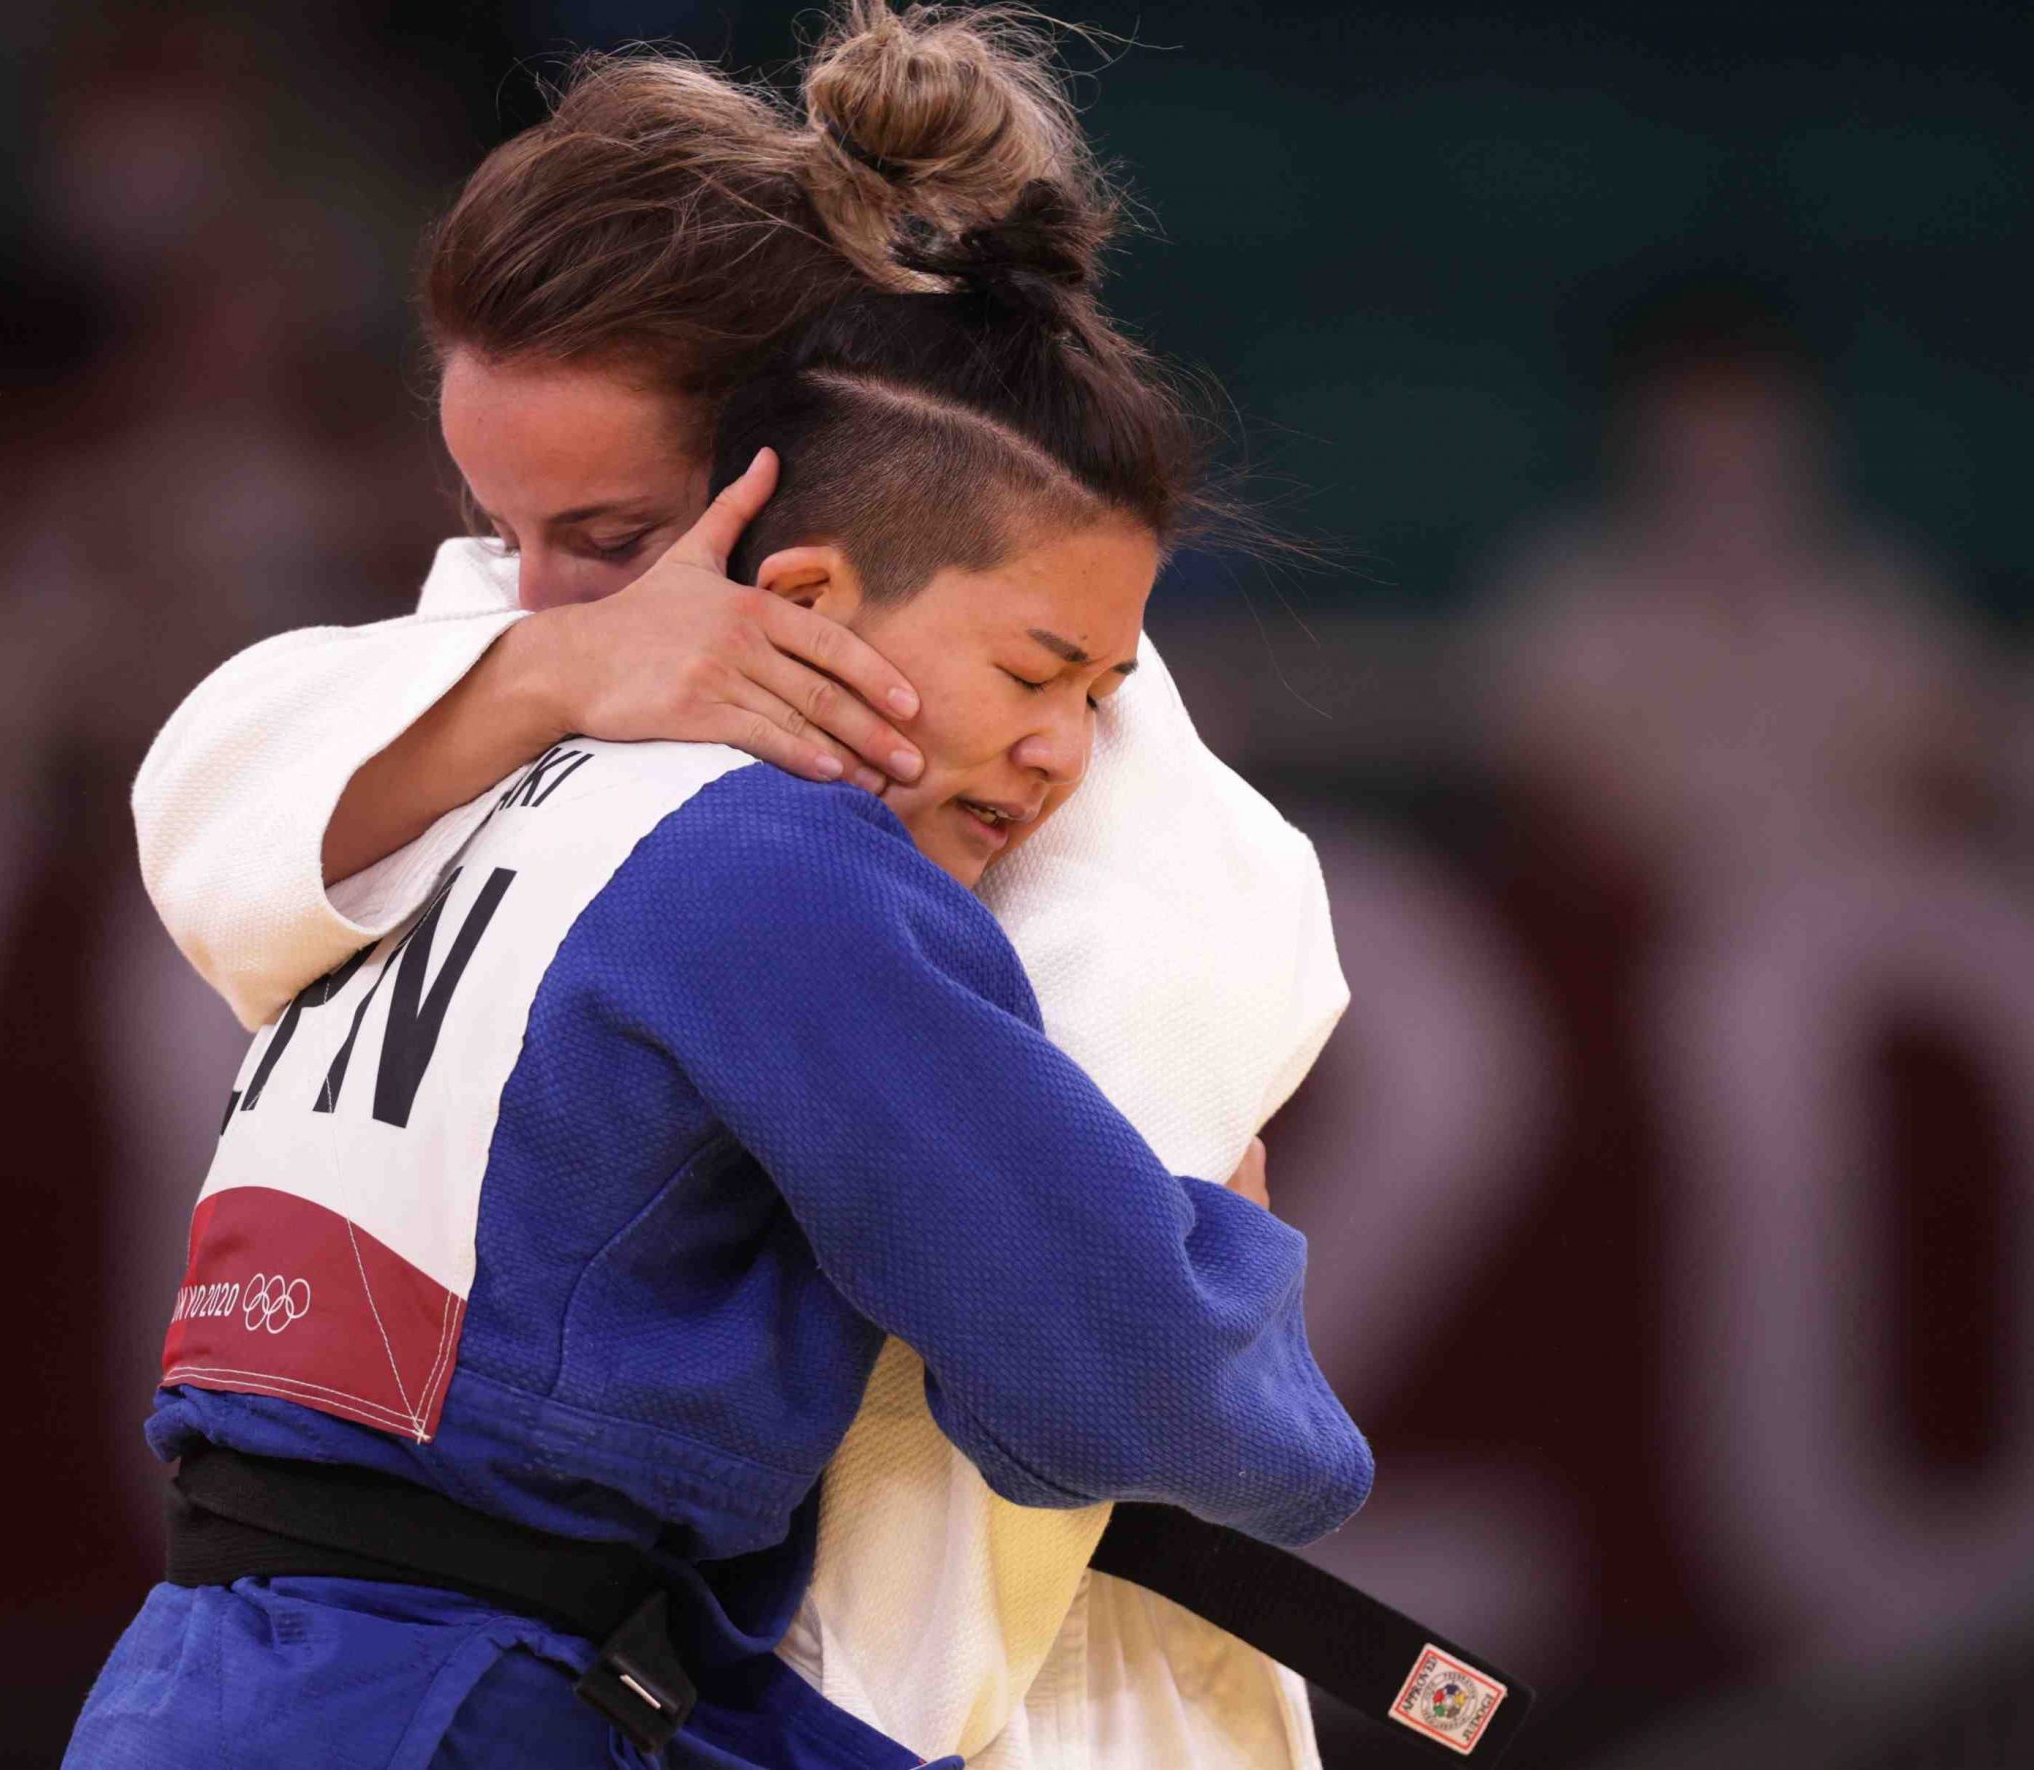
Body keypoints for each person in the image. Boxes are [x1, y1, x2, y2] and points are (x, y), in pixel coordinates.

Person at [127, 7, 1359, 1764]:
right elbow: (212, 810)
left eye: (616, 542)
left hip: (983, 1690)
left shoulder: (1142, 840)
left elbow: (1063, 1390)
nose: (542, 600)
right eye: (506, 530)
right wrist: (554, 675)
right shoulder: (593, 694)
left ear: (813, 459)